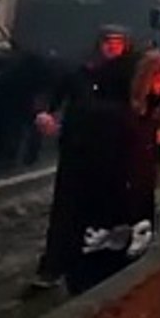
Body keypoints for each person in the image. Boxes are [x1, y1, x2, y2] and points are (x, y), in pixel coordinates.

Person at [42, 50, 160, 294]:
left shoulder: (142, 117)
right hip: (102, 229)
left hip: (127, 226)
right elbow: (93, 180)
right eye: (156, 79)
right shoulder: (106, 120)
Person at [30, 25, 132, 291]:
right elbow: (51, 97)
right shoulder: (80, 73)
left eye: (118, 43)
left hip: (113, 154)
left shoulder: (130, 77)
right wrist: (44, 114)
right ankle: (52, 266)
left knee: (102, 214)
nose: (112, 47)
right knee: (65, 212)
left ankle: (90, 268)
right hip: (76, 151)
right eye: (108, 42)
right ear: (98, 44)